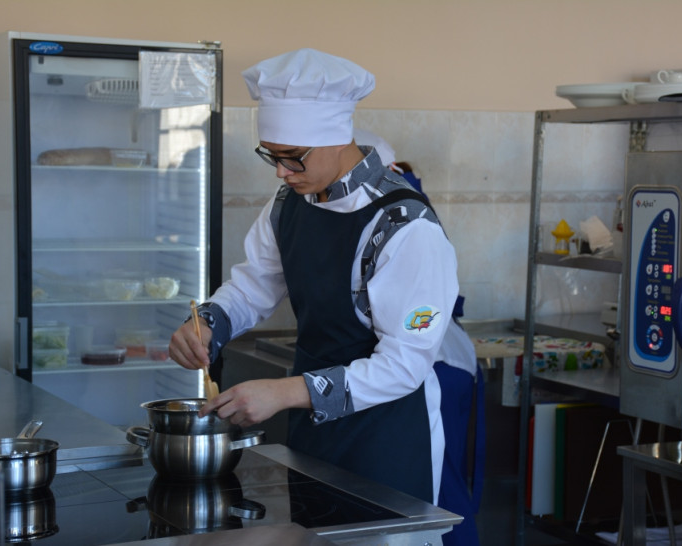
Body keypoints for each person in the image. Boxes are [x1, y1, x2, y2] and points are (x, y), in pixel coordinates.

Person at [169, 48, 458, 507]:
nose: (282, 172)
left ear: (336, 138)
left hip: (386, 437)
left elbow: (405, 365)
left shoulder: (404, 226)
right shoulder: (289, 205)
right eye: (272, 156)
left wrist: (286, 391)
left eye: (293, 158)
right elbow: (255, 285)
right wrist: (209, 322)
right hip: (313, 427)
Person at [354, 128, 486, 546]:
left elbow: (414, 319)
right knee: (435, 490)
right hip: (436, 365)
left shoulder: (399, 208)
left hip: (437, 371)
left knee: (438, 494)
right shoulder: (382, 195)